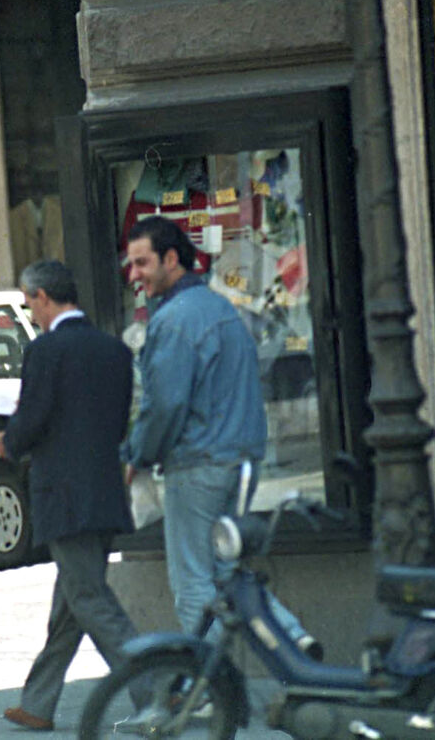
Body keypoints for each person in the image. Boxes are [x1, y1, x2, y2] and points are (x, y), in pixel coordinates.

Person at [122, 215, 319, 657]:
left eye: (142, 263)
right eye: (131, 264)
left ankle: (210, 683)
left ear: (171, 259)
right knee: (227, 572)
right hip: (241, 457)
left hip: (199, 463)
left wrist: (137, 454)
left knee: (193, 580)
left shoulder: (174, 320)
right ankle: (292, 639)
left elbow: (165, 405)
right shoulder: (221, 309)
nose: (133, 274)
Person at [0, 259, 140, 732]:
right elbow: (116, 423)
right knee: (70, 604)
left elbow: (34, 417)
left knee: (89, 598)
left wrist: (8, 442)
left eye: (29, 302)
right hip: (104, 491)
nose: (30, 312)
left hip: (64, 496)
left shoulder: (46, 350)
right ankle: (38, 703)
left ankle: (157, 686)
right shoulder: (114, 349)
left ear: (43, 297)